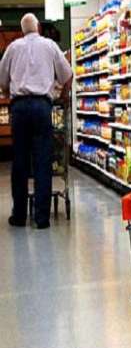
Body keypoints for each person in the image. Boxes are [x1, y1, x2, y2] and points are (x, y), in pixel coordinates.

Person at [0, 13, 72, 229]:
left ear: (22, 29)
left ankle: (19, 216)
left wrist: (8, 91)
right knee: (42, 161)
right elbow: (67, 75)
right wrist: (63, 95)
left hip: (19, 108)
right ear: (38, 27)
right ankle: (42, 218)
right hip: (42, 107)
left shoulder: (13, 48)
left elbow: (2, 79)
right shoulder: (50, 45)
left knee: (20, 161)